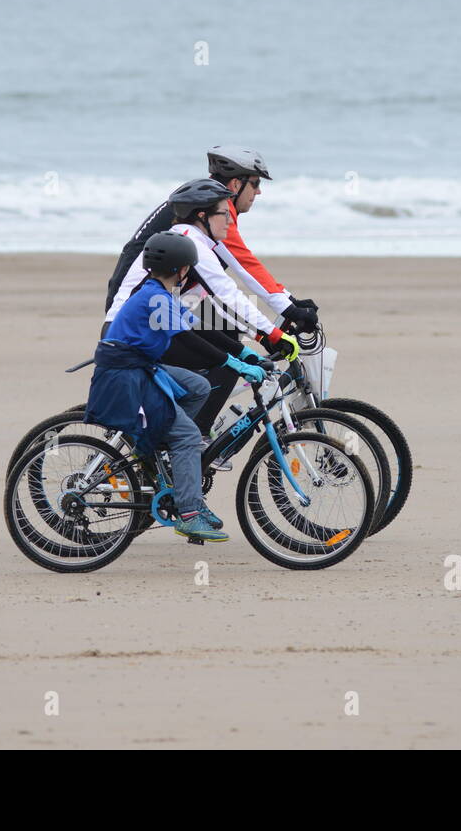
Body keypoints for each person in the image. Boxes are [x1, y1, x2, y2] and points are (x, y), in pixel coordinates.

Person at [85, 231, 269, 542]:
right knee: (186, 436)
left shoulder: (157, 292)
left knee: (197, 385)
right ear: (181, 269)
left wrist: (244, 352)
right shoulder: (155, 297)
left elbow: (199, 328)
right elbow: (187, 340)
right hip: (126, 374)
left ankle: (162, 447)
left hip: (139, 366)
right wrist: (233, 364)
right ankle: (189, 513)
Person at [104, 178, 298, 439]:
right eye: (223, 213)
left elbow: (207, 311)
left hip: (151, 326)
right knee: (229, 363)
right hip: (136, 334)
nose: (230, 220)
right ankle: (196, 437)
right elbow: (229, 296)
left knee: (228, 349)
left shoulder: (190, 241)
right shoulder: (191, 244)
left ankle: (181, 435)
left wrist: (260, 336)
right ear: (203, 216)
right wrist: (273, 335)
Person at [104, 146, 320, 329]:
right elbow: (244, 265)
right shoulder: (211, 207)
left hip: (169, 299)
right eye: (256, 183)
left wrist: (289, 300)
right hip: (136, 306)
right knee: (229, 332)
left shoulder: (204, 200)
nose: (259, 192)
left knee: (230, 328)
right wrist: (288, 308)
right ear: (236, 184)